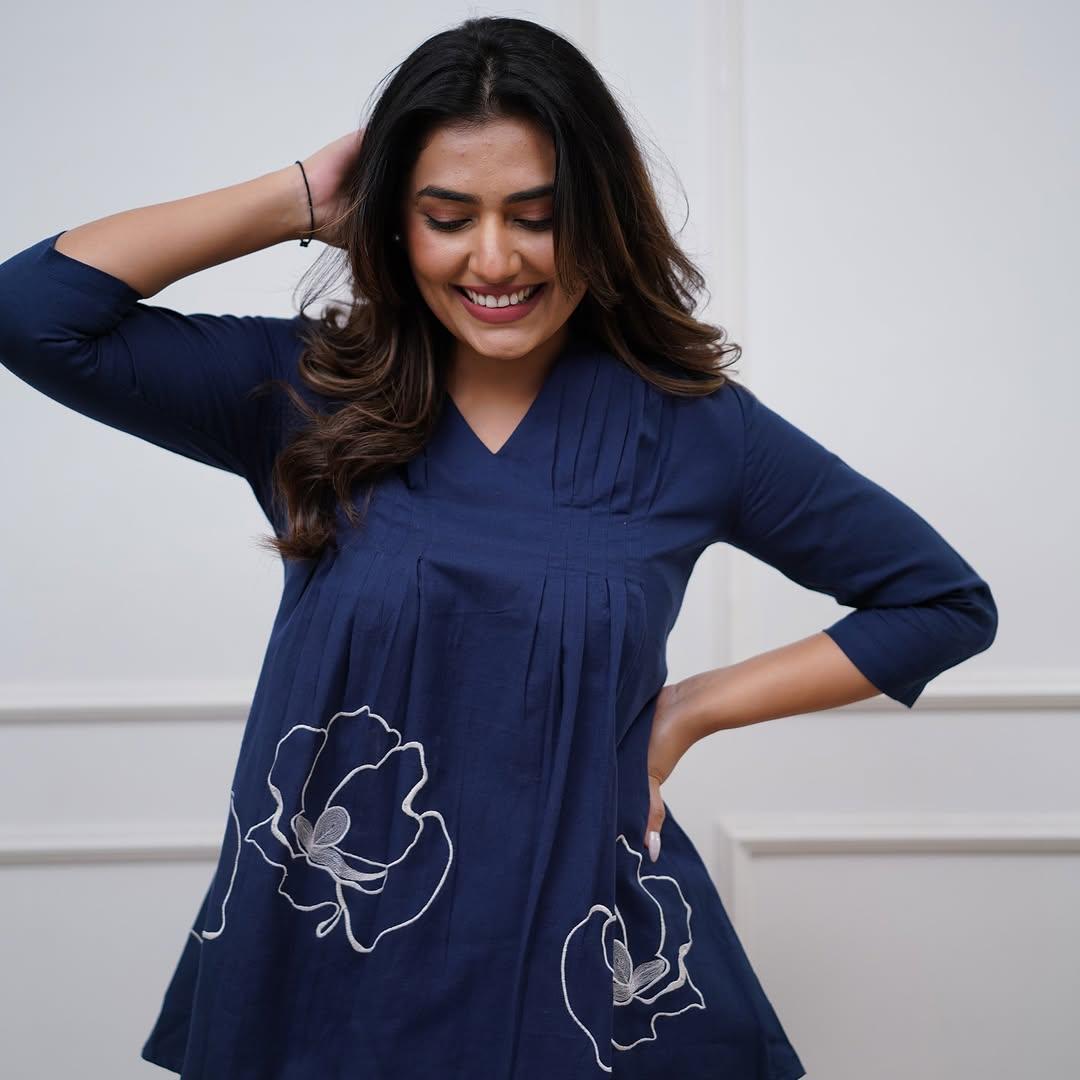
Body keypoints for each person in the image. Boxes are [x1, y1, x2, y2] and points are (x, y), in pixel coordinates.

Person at [0, 15, 997, 1080]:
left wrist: (685, 714)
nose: (494, 260)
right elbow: (31, 312)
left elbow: (940, 604)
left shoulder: (692, 428)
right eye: (446, 217)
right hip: (330, 960)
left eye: (538, 217)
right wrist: (299, 197)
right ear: (394, 222)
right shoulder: (308, 395)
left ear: (600, 217)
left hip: (570, 962)